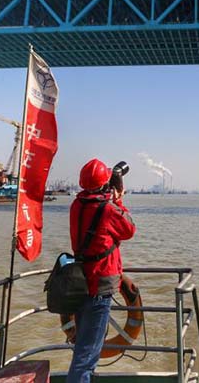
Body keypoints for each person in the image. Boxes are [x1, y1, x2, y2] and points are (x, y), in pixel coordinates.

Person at [66, 158, 136, 382]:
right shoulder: (108, 209)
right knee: (86, 357)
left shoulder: (76, 205)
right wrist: (119, 200)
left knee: (84, 348)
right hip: (99, 287)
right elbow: (129, 230)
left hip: (80, 284)